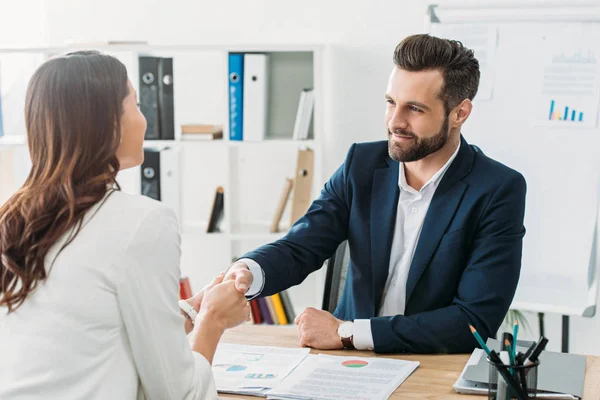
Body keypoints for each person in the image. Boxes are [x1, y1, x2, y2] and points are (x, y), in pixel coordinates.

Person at [223, 34, 527, 354]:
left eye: (415, 108)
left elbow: (473, 321)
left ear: (459, 113)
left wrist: (347, 332)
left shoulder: (496, 189)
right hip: (346, 363)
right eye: (391, 102)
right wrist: (248, 272)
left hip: (431, 365)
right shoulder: (362, 165)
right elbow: (303, 245)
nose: (395, 122)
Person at [0, 51, 250, 399]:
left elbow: (89, 332)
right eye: (134, 103)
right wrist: (214, 320)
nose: (144, 119)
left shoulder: (14, 220)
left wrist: (192, 310)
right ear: (107, 124)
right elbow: (177, 394)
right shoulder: (144, 223)